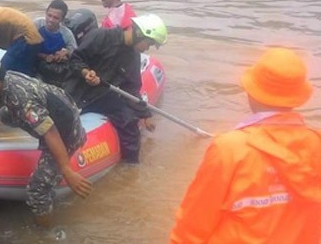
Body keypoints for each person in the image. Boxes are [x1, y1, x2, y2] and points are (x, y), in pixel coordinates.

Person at [170, 48, 320, 244]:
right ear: (298, 97)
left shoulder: (228, 149)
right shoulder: (316, 144)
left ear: (251, 93)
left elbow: (193, 224)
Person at [0, 53, 91, 226]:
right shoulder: (4, 81)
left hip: (65, 130)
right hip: (53, 108)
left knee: (37, 189)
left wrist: (66, 169)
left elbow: (50, 132)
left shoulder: (21, 99)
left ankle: (45, 231)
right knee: (4, 114)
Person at [63, 14, 167, 164]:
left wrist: (145, 114)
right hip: (77, 89)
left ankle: (130, 165)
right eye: (148, 43)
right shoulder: (101, 36)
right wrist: (86, 73)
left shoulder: (133, 56)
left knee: (129, 121)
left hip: (101, 95)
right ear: (139, 34)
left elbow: (131, 89)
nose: (147, 48)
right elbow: (75, 60)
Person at [34, 0, 78, 85]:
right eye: (49, 15)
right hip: (34, 62)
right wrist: (44, 56)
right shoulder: (37, 24)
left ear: (62, 19)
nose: (51, 20)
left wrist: (66, 53)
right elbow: (25, 45)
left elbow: (76, 54)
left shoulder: (67, 34)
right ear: (45, 13)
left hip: (52, 69)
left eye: (56, 18)